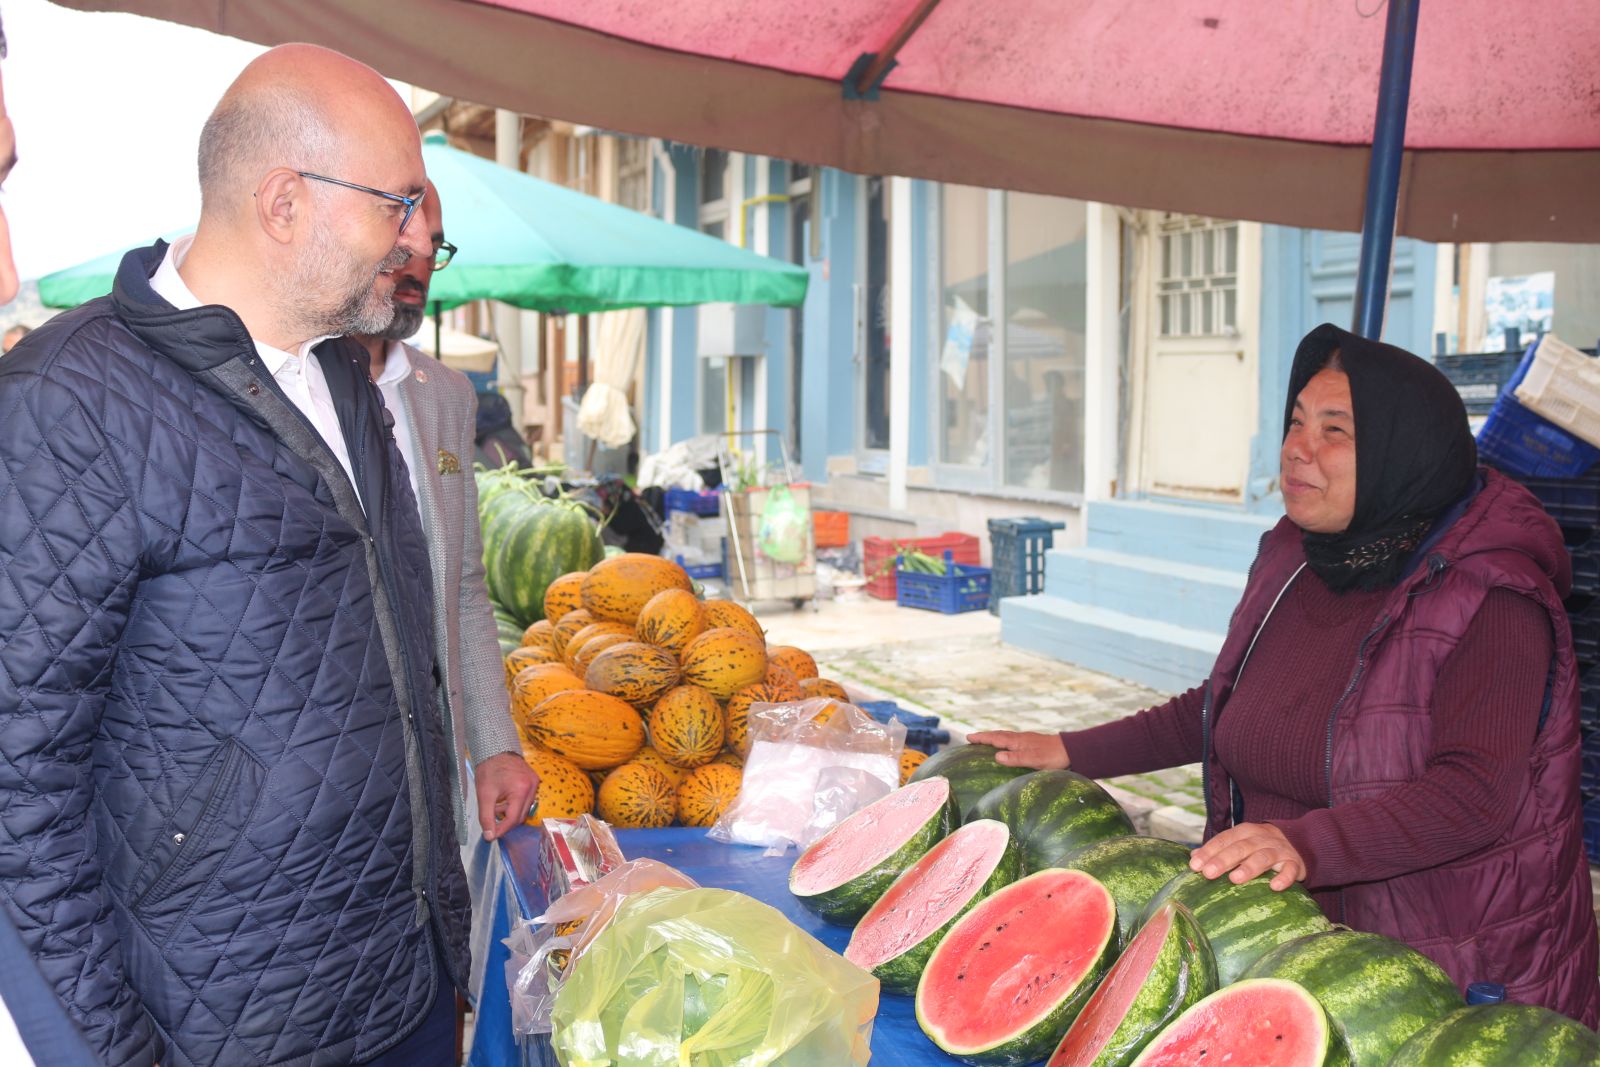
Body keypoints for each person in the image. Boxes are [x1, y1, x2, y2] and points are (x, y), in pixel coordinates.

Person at [0, 44, 472, 1066]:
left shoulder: (349, 379)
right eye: (397, 203)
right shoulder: (67, 403)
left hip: (401, 988)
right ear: (284, 201)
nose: (417, 235)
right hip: (223, 1029)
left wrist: (447, 943)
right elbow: (17, 792)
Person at [974, 322, 1600, 1027]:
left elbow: (1474, 796)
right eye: (1296, 421)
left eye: (1335, 430)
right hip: (1295, 948)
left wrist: (1303, 843)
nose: (1298, 448)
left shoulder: (1494, 597)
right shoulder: (1296, 555)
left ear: (1404, 452)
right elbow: (1224, 707)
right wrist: (1070, 749)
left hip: (1448, 974)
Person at [349, 180, 537, 846]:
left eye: (434, 244)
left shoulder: (447, 395)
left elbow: (463, 590)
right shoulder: (291, 385)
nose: (418, 261)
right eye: (402, 236)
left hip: (430, 765)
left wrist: (494, 743)